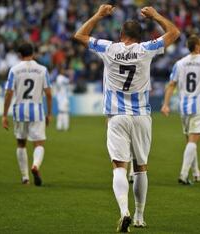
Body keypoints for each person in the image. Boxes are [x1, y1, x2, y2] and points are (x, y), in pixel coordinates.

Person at [74, 4, 179, 232]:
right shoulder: (146, 49)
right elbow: (174, 33)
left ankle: (124, 212)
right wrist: (155, 15)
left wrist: (99, 15)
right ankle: (140, 217)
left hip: (117, 116)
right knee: (141, 167)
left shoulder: (109, 49)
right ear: (140, 36)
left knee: (119, 167)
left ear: (121, 35)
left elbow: (79, 35)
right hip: (141, 114)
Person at [161, 34, 200, 185]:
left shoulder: (180, 63)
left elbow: (171, 85)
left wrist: (166, 104)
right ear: (197, 46)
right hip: (199, 107)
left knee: (190, 143)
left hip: (184, 107)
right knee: (193, 142)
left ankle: (196, 173)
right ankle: (183, 174)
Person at [2, 42, 52, 186]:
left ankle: (25, 178)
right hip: (37, 110)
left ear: (19, 55)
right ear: (33, 53)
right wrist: (49, 113)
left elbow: (9, 93)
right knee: (39, 143)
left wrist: (4, 115)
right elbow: (48, 93)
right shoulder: (42, 70)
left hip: (19, 110)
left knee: (21, 143)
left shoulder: (14, 70)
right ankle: (35, 165)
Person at [55, 66, 70, 131]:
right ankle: (64, 127)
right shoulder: (60, 78)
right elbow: (68, 81)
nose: (64, 71)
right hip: (62, 97)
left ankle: (60, 126)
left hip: (62, 97)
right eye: (63, 70)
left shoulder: (61, 78)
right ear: (60, 71)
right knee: (64, 112)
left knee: (62, 112)